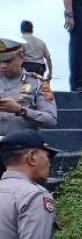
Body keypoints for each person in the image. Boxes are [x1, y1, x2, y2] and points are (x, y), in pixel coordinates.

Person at [1, 38, 58, 174]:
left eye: (8, 61)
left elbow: (51, 119)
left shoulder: (39, 84)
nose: (3, 66)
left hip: (20, 154)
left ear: (22, 57)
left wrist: (20, 110)